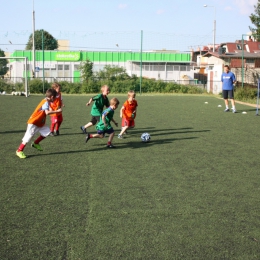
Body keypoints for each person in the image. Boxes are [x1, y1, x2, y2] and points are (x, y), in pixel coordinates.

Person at [16, 89, 62, 159]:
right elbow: (47, 112)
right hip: (34, 122)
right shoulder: (46, 102)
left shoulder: (47, 100)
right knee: (28, 136)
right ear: (52, 97)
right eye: (55, 97)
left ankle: (36, 143)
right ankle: (19, 150)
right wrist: (57, 111)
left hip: (40, 122)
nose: (56, 98)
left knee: (47, 132)